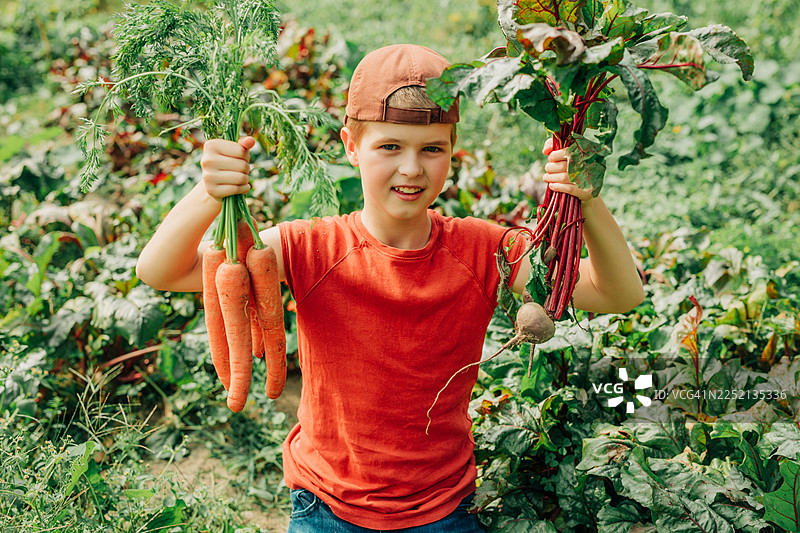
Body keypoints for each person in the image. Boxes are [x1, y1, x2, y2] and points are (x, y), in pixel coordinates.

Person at [136, 44, 644, 532]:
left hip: (444, 507)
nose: (411, 168)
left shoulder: (483, 250)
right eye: (389, 146)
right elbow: (162, 271)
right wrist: (209, 190)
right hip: (325, 505)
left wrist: (588, 200)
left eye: (431, 149)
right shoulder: (308, 248)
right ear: (350, 146)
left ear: (451, 152)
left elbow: (617, 295)